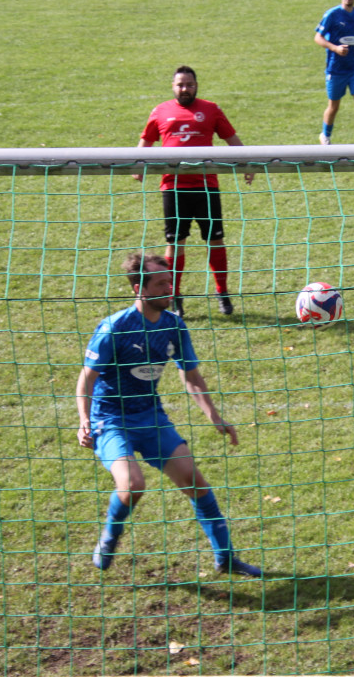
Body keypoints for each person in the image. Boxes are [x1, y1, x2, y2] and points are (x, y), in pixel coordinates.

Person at [76, 252, 263, 577]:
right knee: (133, 485)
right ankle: (109, 536)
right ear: (139, 288)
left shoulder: (173, 325)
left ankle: (226, 558)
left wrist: (215, 417)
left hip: (151, 417)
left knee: (196, 482)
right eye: (162, 283)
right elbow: (86, 378)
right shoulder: (114, 328)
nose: (170, 287)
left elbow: (190, 376)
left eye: (170, 280)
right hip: (111, 420)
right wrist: (84, 420)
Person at [135, 66, 253, 318]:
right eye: (180, 85)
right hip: (173, 187)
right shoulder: (160, 111)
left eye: (189, 84)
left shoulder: (211, 109)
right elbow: (146, 141)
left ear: (196, 85)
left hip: (206, 187)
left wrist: (248, 162)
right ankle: (174, 295)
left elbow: (231, 138)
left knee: (215, 240)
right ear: (173, 86)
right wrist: (138, 165)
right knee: (175, 244)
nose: (185, 89)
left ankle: (222, 292)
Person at [314, 0, 354, 145]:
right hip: (335, 70)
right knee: (334, 106)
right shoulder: (332, 15)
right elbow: (318, 37)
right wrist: (335, 48)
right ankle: (325, 135)